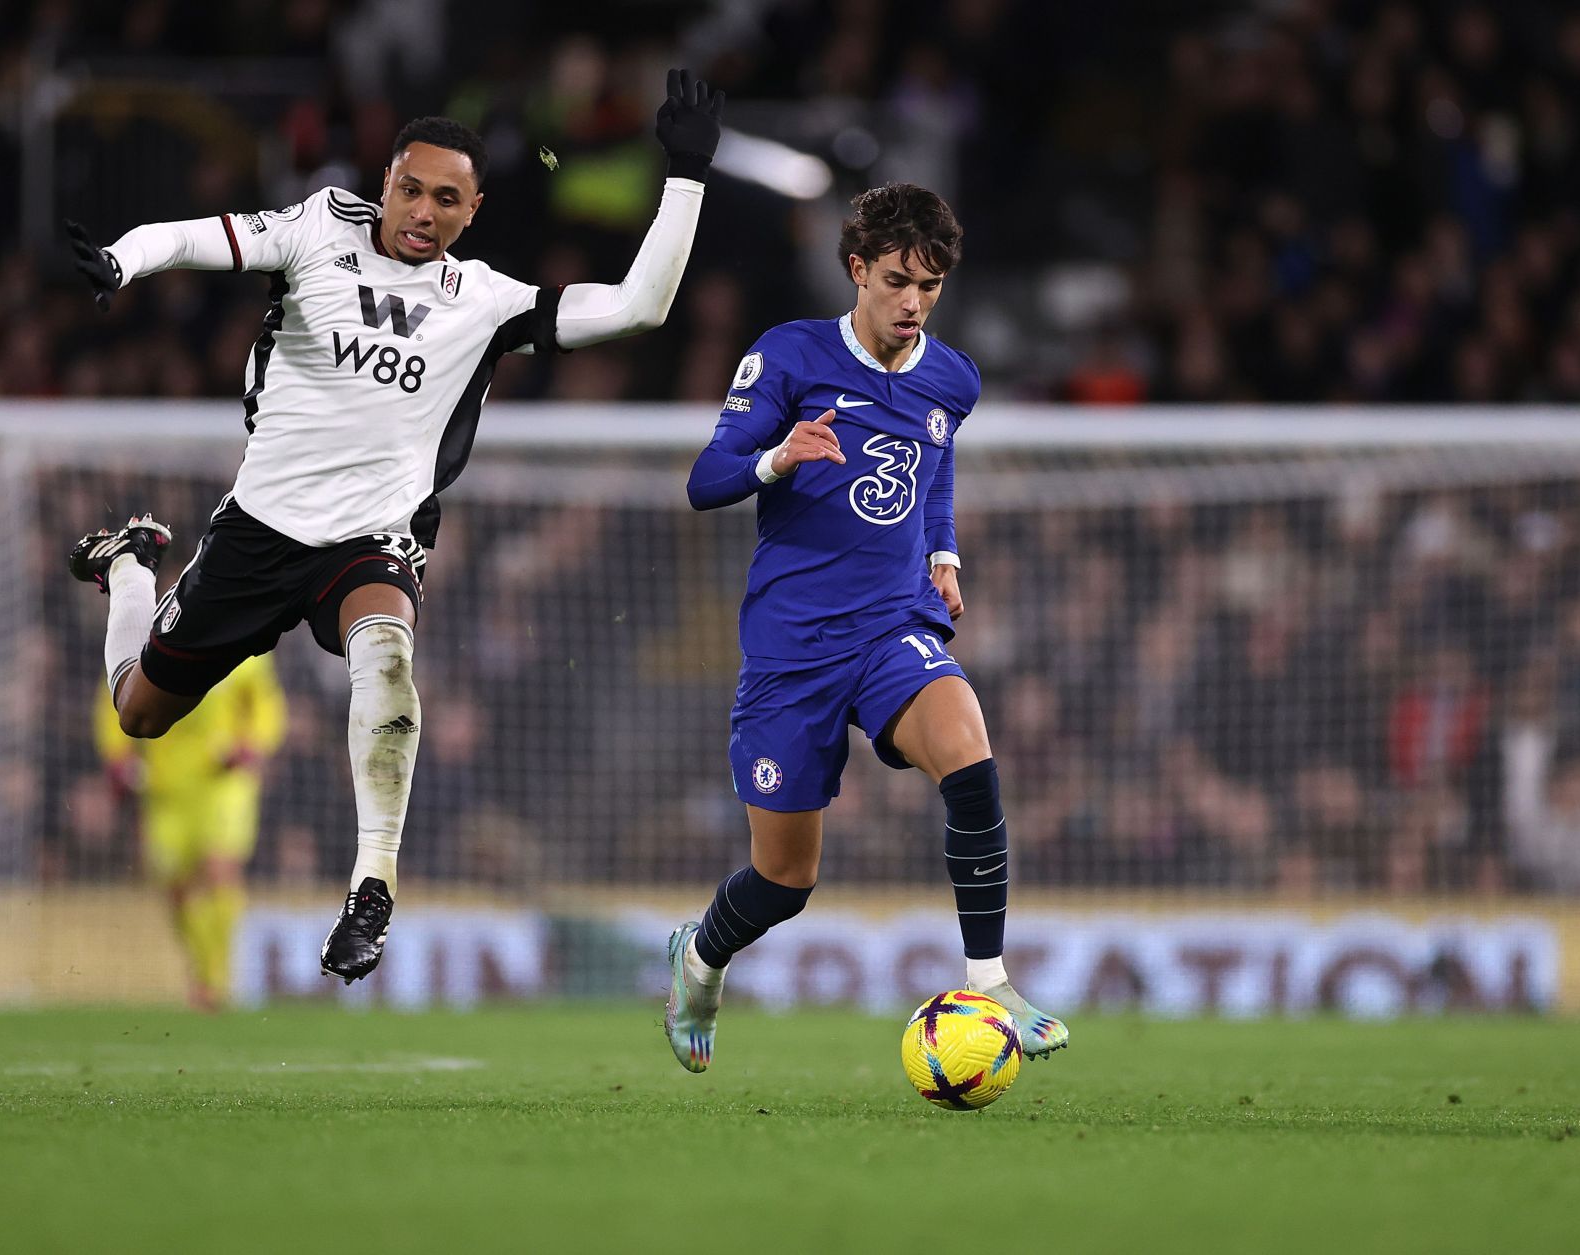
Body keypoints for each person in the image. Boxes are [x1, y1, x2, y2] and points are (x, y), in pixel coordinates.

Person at [63, 70, 725, 984]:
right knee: (139, 711)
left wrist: (686, 173)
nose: (421, 210)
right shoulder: (314, 228)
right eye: (410, 187)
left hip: (369, 540)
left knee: (388, 657)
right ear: (385, 181)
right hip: (258, 533)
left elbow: (636, 306)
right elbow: (194, 240)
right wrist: (123, 260)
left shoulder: (484, 299)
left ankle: (372, 885)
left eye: (446, 198)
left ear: (473, 209)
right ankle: (133, 568)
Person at [665, 183, 1068, 1072]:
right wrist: (779, 456)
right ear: (857, 271)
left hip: (891, 629)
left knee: (969, 752)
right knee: (785, 880)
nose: (913, 303)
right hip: (791, 649)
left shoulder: (951, 377)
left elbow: (935, 472)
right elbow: (705, 479)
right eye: (896, 282)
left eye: (929, 286)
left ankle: (990, 977)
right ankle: (699, 955)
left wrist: (945, 554)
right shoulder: (790, 357)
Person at [95, 652, 287, 1009]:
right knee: (176, 888)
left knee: (219, 871)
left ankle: (217, 977)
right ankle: (203, 973)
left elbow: (265, 702)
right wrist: (118, 756)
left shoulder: (246, 644)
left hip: (222, 779)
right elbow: (113, 697)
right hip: (165, 784)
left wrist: (253, 744)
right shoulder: (147, 639)